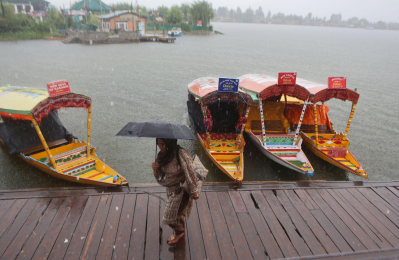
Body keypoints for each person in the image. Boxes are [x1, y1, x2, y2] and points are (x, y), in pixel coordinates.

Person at [151, 138, 199, 246]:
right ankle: (180, 231)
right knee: (178, 212)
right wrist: (156, 169)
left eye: (163, 144)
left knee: (170, 216)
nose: (161, 147)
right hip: (171, 190)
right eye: (158, 144)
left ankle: (180, 233)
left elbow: (190, 171)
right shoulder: (161, 157)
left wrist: (194, 190)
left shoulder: (180, 153)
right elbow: (160, 177)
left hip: (183, 189)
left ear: (169, 142)